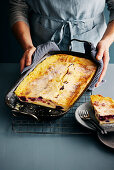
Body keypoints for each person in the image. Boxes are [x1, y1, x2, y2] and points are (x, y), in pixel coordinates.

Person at [9, 0, 114, 87]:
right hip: (41, 45)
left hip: (92, 43)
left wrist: (106, 41)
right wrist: (28, 46)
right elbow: (18, 6)